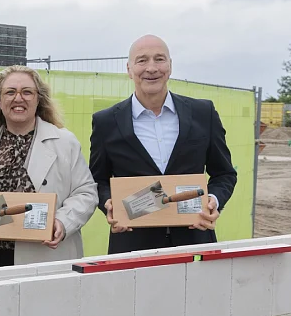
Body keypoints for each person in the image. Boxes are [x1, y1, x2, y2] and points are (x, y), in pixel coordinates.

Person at [89, 34, 238, 253]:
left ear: (170, 66)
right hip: (133, 243)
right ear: (129, 69)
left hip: (195, 239)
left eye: (159, 59)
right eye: (142, 60)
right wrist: (108, 203)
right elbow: (97, 180)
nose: (151, 68)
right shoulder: (106, 122)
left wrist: (213, 200)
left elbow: (224, 174)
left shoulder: (202, 113)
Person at [0, 66, 98, 266]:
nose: (19, 98)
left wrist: (62, 221)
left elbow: (86, 192)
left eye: (27, 92)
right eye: (10, 92)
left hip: (46, 257)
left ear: (38, 99)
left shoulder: (64, 142)